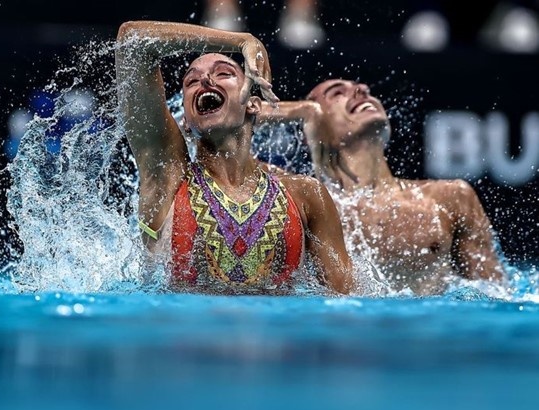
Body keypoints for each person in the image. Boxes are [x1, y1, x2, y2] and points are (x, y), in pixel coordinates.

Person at [114, 21, 354, 295]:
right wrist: (241, 41)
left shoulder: (306, 196)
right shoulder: (167, 180)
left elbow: (344, 303)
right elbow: (131, 41)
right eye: (191, 81)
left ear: (253, 104)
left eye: (224, 73)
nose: (205, 80)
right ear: (185, 122)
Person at [259, 79, 508, 295]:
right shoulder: (298, 196)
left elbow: (495, 295)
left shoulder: (449, 197)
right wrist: (303, 111)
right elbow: (222, 136)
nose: (362, 92)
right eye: (337, 93)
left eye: (362, 89)